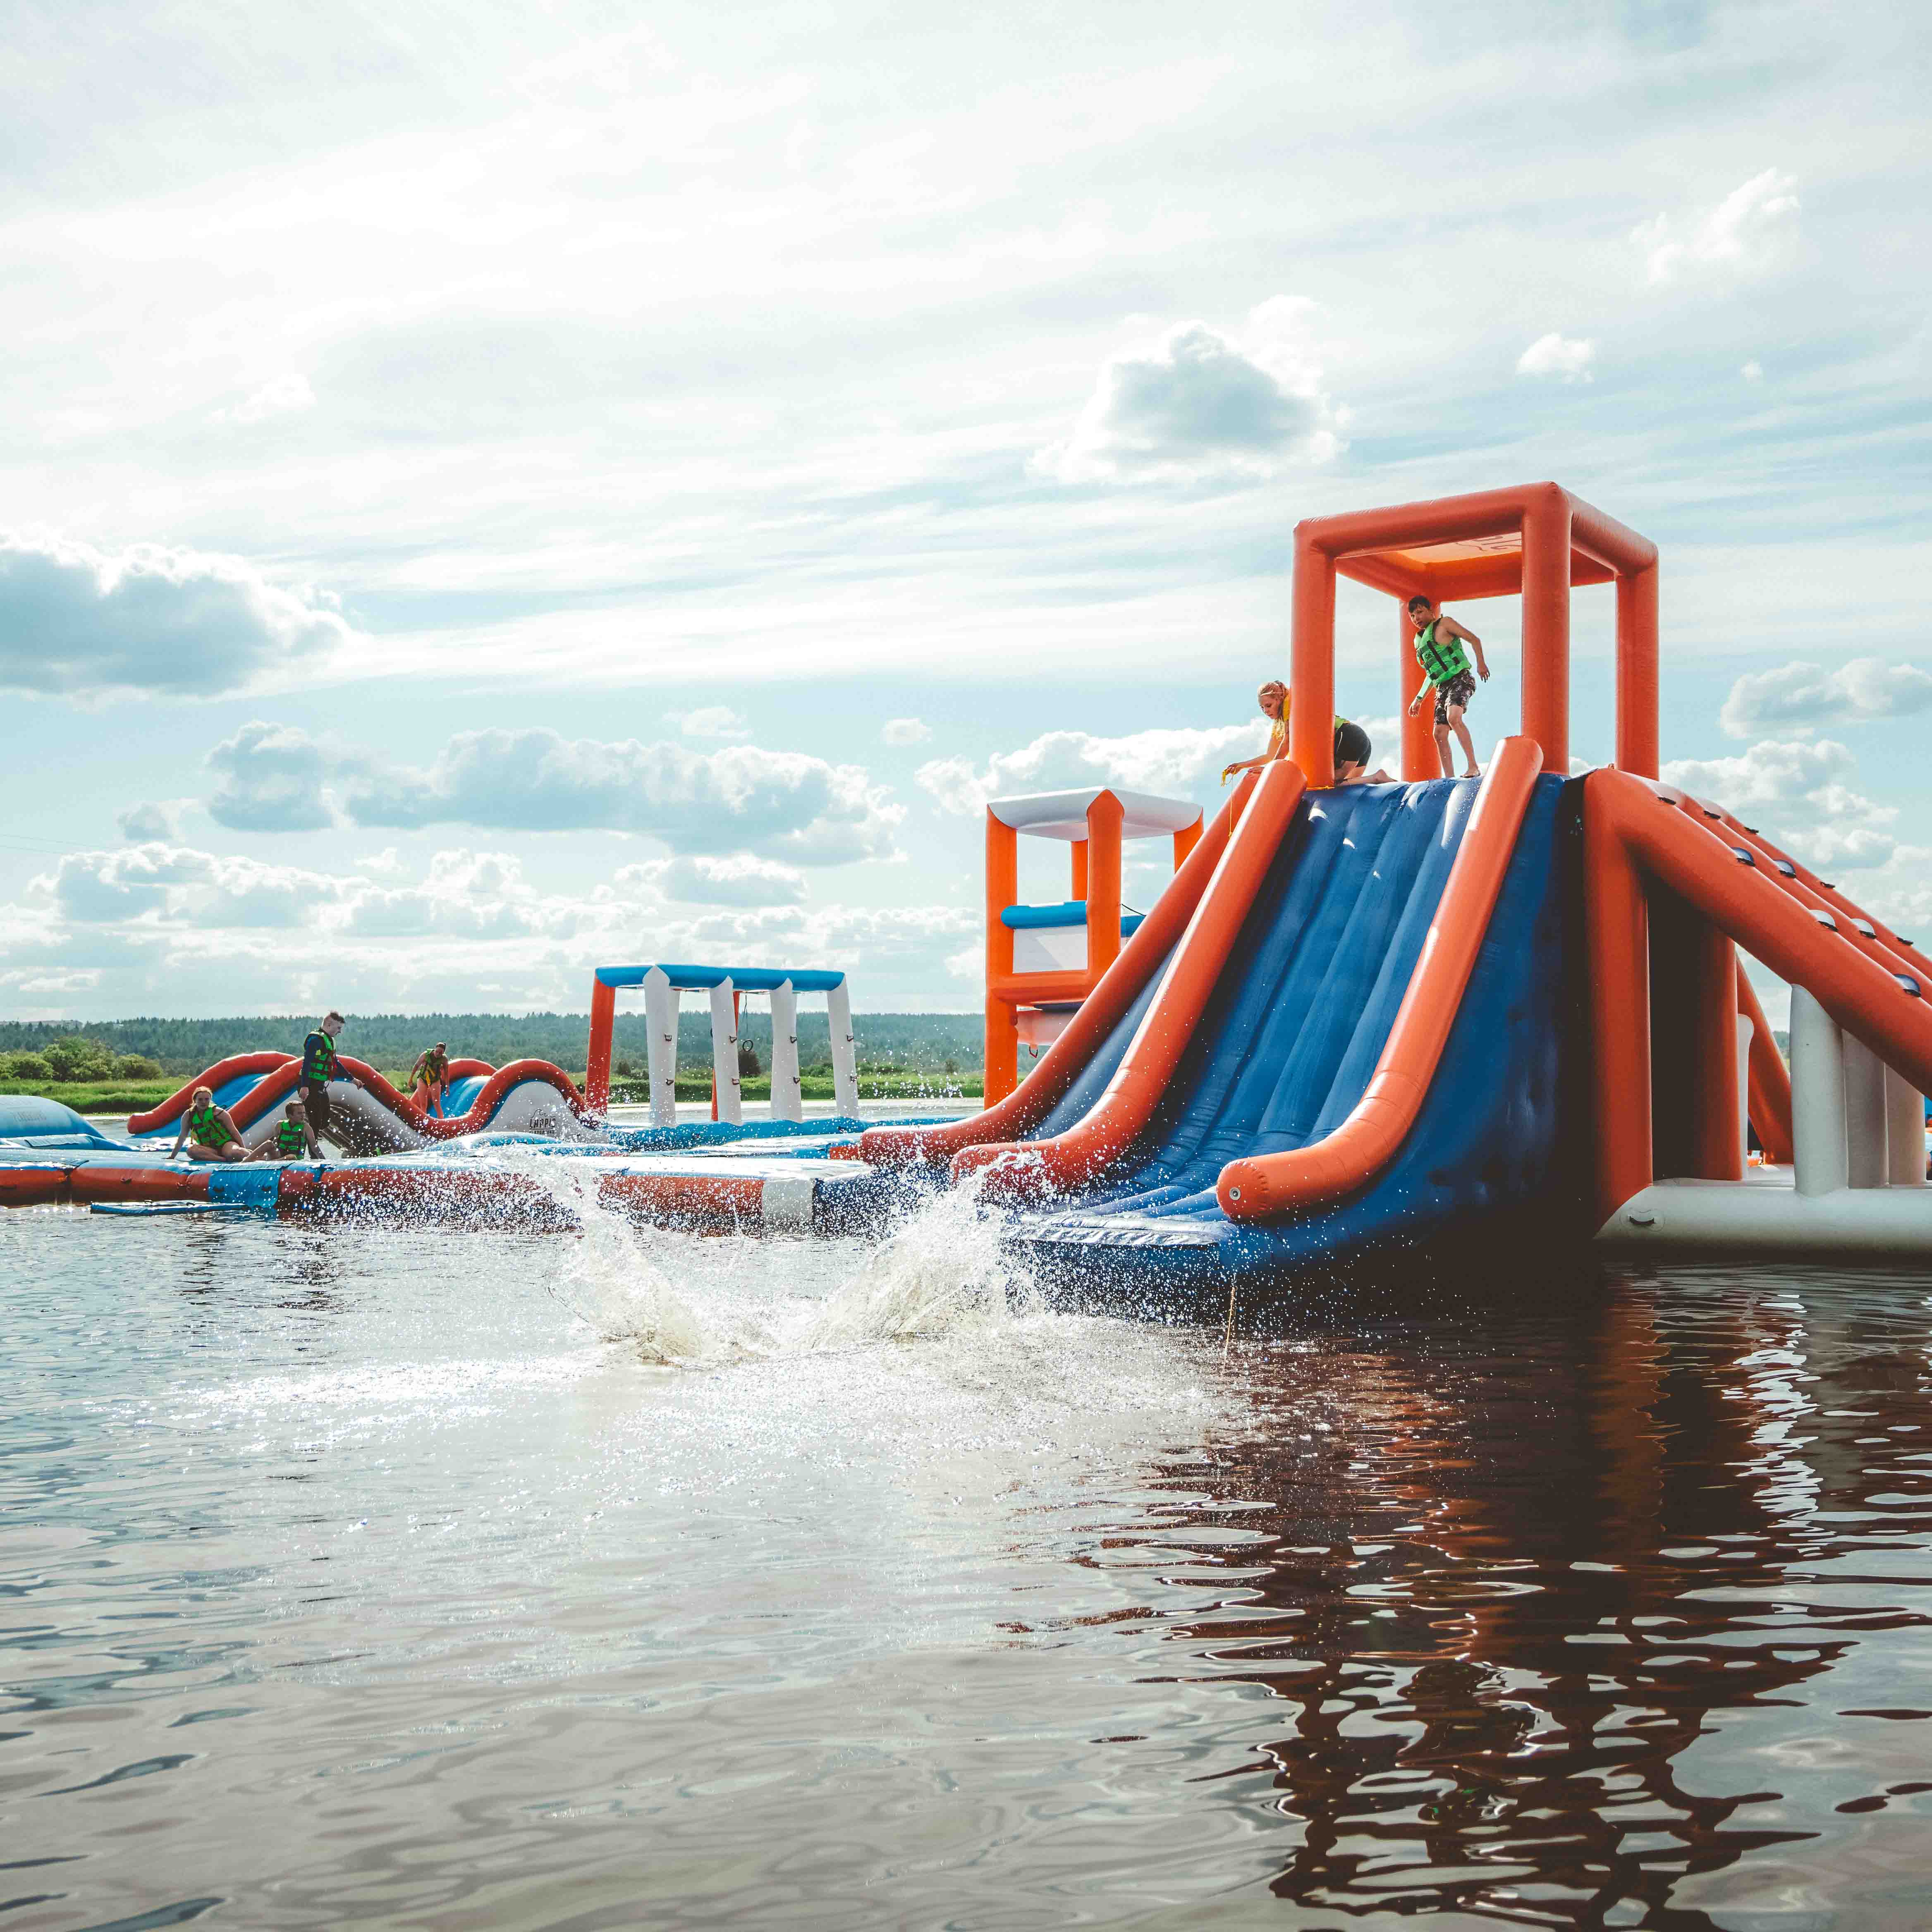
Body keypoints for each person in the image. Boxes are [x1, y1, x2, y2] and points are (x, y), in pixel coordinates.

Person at [1221, 680, 1394, 787]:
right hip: (1358, 737)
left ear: (1280, 700)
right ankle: (1378, 778)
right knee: (1344, 787)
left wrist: (1269, 771)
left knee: (1326, 782)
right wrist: (1241, 765)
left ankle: (1378, 777)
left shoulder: (1291, 708)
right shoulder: (1281, 722)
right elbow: (1272, 755)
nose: (1266, 711)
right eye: (1262, 708)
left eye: (1268, 706)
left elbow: (1286, 744)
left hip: (1346, 737)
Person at [1405, 596, 1491, 778]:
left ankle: (1473, 767)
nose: (1416, 618)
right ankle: (1450, 778)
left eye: (1420, 612)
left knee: (1454, 717)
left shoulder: (1445, 624)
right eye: (1412, 616)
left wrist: (1481, 664)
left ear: (1431, 610)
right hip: (1442, 688)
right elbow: (1432, 674)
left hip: (1461, 679)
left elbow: (1474, 640)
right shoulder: (1420, 641)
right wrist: (1419, 698)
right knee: (1439, 733)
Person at [300, 1010, 349, 1143]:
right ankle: (313, 1155)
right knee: (316, 1121)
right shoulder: (316, 1040)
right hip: (310, 1084)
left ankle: (304, 1130)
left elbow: (335, 1063)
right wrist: (305, 1086)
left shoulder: (329, 1041)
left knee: (325, 1120)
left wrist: (353, 1079)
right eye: (338, 1028)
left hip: (320, 1085)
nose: (340, 1031)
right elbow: (307, 1063)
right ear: (329, 1025)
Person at [170, 1086, 247, 1162]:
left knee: (234, 1153)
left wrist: (243, 1148)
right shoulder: (189, 1115)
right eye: (200, 1100)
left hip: (226, 1144)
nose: (204, 1102)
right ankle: (222, 1159)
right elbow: (183, 1136)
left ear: (210, 1100)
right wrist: (172, 1156)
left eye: (207, 1099)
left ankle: (248, 1153)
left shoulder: (219, 1113)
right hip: (209, 1150)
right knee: (191, 1151)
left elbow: (234, 1131)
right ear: (195, 1100)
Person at [250, 1096, 320, 1161]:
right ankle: (244, 1163)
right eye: (299, 1113)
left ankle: (269, 1162)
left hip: (294, 1159)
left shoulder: (306, 1128)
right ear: (290, 1116)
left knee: (291, 1157)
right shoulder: (280, 1125)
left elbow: (314, 1147)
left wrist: (323, 1160)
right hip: (279, 1156)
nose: (303, 1116)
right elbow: (275, 1143)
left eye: (304, 1113)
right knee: (268, 1144)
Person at [408, 1042, 452, 1119]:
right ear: (434, 1049)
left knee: (436, 1103)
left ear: (444, 1053)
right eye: (437, 1051)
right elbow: (417, 1065)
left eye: (441, 1053)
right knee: (423, 1103)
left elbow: (446, 1074)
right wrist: (411, 1078)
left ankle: (441, 1121)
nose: (438, 1054)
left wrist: (448, 1086)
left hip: (435, 1080)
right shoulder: (426, 1055)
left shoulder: (444, 1060)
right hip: (423, 1079)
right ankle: (423, 1122)